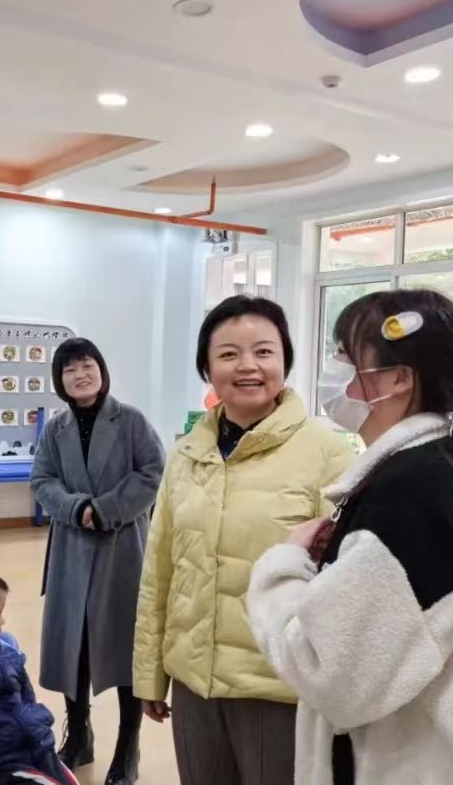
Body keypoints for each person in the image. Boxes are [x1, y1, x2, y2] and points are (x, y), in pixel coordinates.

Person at [246, 289, 453, 784]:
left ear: (400, 378)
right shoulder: (434, 465)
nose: (334, 370)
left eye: (346, 356)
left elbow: (328, 671)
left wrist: (282, 568)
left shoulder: (412, 492)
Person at [133, 295, 353, 785]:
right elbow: (160, 569)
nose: (248, 366)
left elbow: (346, 582)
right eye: (229, 354)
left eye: (264, 351)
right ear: (207, 368)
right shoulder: (188, 452)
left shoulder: (327, 452)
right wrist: (149, 672)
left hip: (278, 687)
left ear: (285, 361)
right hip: (194, 685)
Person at [30, 338, 165, 785]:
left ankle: (128, 749)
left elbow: (153, 472)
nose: (80, 375)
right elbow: (41, 479)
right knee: (75, 649)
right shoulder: (56, 428)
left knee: (124, 651)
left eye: (87, 365)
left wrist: (105, 509)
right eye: (69, 370)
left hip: (121, 550)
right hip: (71, 552)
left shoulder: (131, 421)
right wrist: (76, 509)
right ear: (60, 380)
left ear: (101, 371)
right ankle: (80, 735)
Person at [0, 573, 78, 785]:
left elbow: (26, 693)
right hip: (4, 759)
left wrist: (34, 725)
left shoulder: (7, 647)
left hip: (36, 744)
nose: (3, 620)